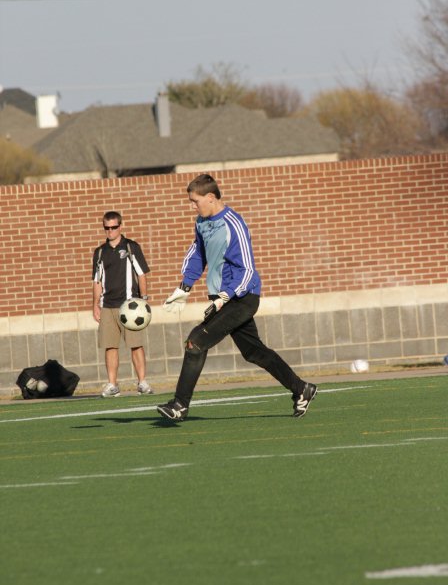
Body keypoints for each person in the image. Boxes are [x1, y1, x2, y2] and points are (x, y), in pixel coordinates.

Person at [157, 173, 317, 421]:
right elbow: (198, 254)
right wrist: (184, 287)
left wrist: (224, 297)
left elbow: (247, 270)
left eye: (194, 201)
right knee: (254, 352)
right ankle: (301, 389)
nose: (192, 206)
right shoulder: (201, 222)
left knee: (195, 342)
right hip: (223, 299)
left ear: (210, 198)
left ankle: (179, 405)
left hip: (242, 297)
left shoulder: (234, 224)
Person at [92, 211, 153, 398]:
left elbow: (141, 274)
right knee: (110, 346)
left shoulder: (131, 247)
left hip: (130, 307)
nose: (110, 231)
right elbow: (97, 281)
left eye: (113, 227)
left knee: (136, 345)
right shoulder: (100, 252)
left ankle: (142, 382)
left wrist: (143, 299)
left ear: (120, 227)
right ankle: (112, 385)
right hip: (108, 306)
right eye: (106, 228)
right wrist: (95, 305)